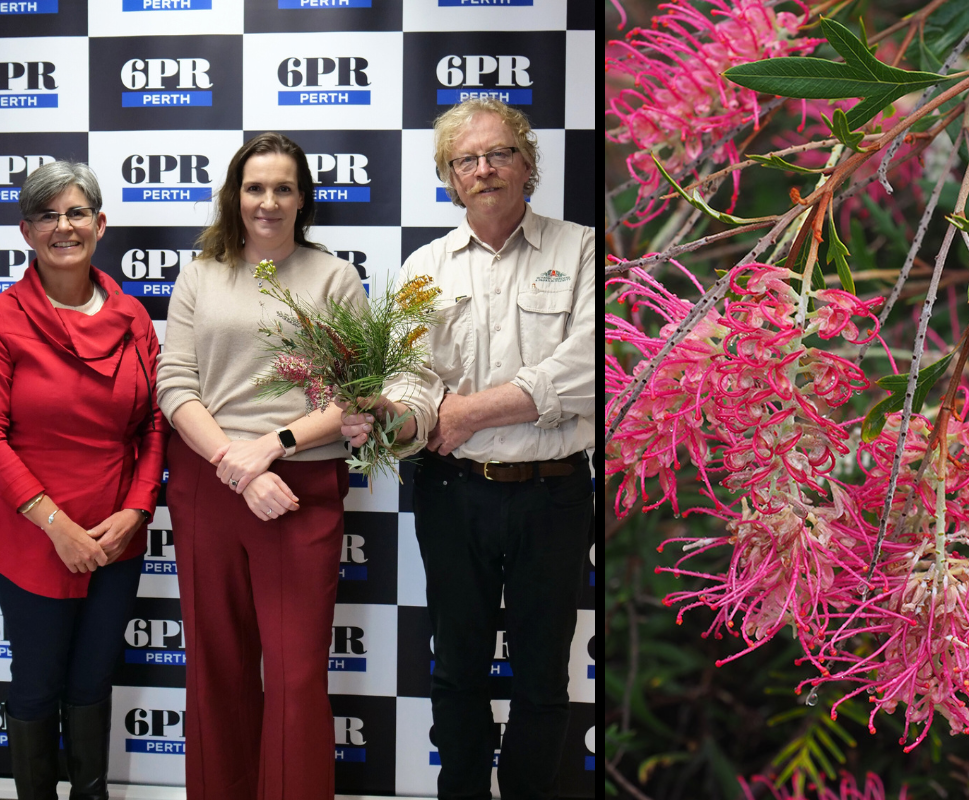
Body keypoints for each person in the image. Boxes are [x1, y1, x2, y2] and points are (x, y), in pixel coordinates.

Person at [340, 98, 595, 799]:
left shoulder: (582, 250)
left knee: (544, 675)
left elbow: (590, 368)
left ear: (527, 163)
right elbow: (415, 377)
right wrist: (394, 418)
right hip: (454, 493)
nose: (484, 170)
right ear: (451, 179)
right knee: (456, 667)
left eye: (499, 153)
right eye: (466, 161)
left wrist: (475, 410)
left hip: (553, 491)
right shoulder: (426, 265)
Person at [156, 133, 370, 800]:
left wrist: (272, 445)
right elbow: (174, 386)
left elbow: (357, 395)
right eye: (255, 188)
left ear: (303, 198)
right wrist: (234, 462)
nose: (268, 202)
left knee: (297, 675)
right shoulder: (200, 274)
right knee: (216, 669)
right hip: (208, 480)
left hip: (300, 487)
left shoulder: (332, 277)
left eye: (283, 188)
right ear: (235, 195)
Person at [0, 161, 167, 800]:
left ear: (100, 224)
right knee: (38, 686)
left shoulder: (133, 317)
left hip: (117, 538)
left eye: (75, 213)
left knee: (94, 683)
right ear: (26, 231)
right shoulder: (8, 319)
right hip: (34, 542)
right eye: (47, 215)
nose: (63, 227)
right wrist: (55, 524)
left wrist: (137, 512)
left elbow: (153, 428)